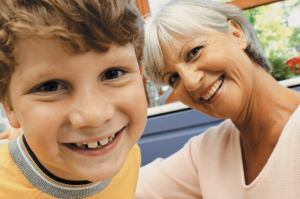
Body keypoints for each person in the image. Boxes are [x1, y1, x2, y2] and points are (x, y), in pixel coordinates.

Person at [136, 0, 300, 198]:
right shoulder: (206, 154)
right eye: (173, 78)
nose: (190, 82)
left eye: (194, 52)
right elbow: (126, 190)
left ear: (236, 34)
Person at [0, 0, 148, 198]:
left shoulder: (126, 154)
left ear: (141, 75)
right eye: (50, 87)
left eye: (113, 74)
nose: (94, 115)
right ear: (9, 107)